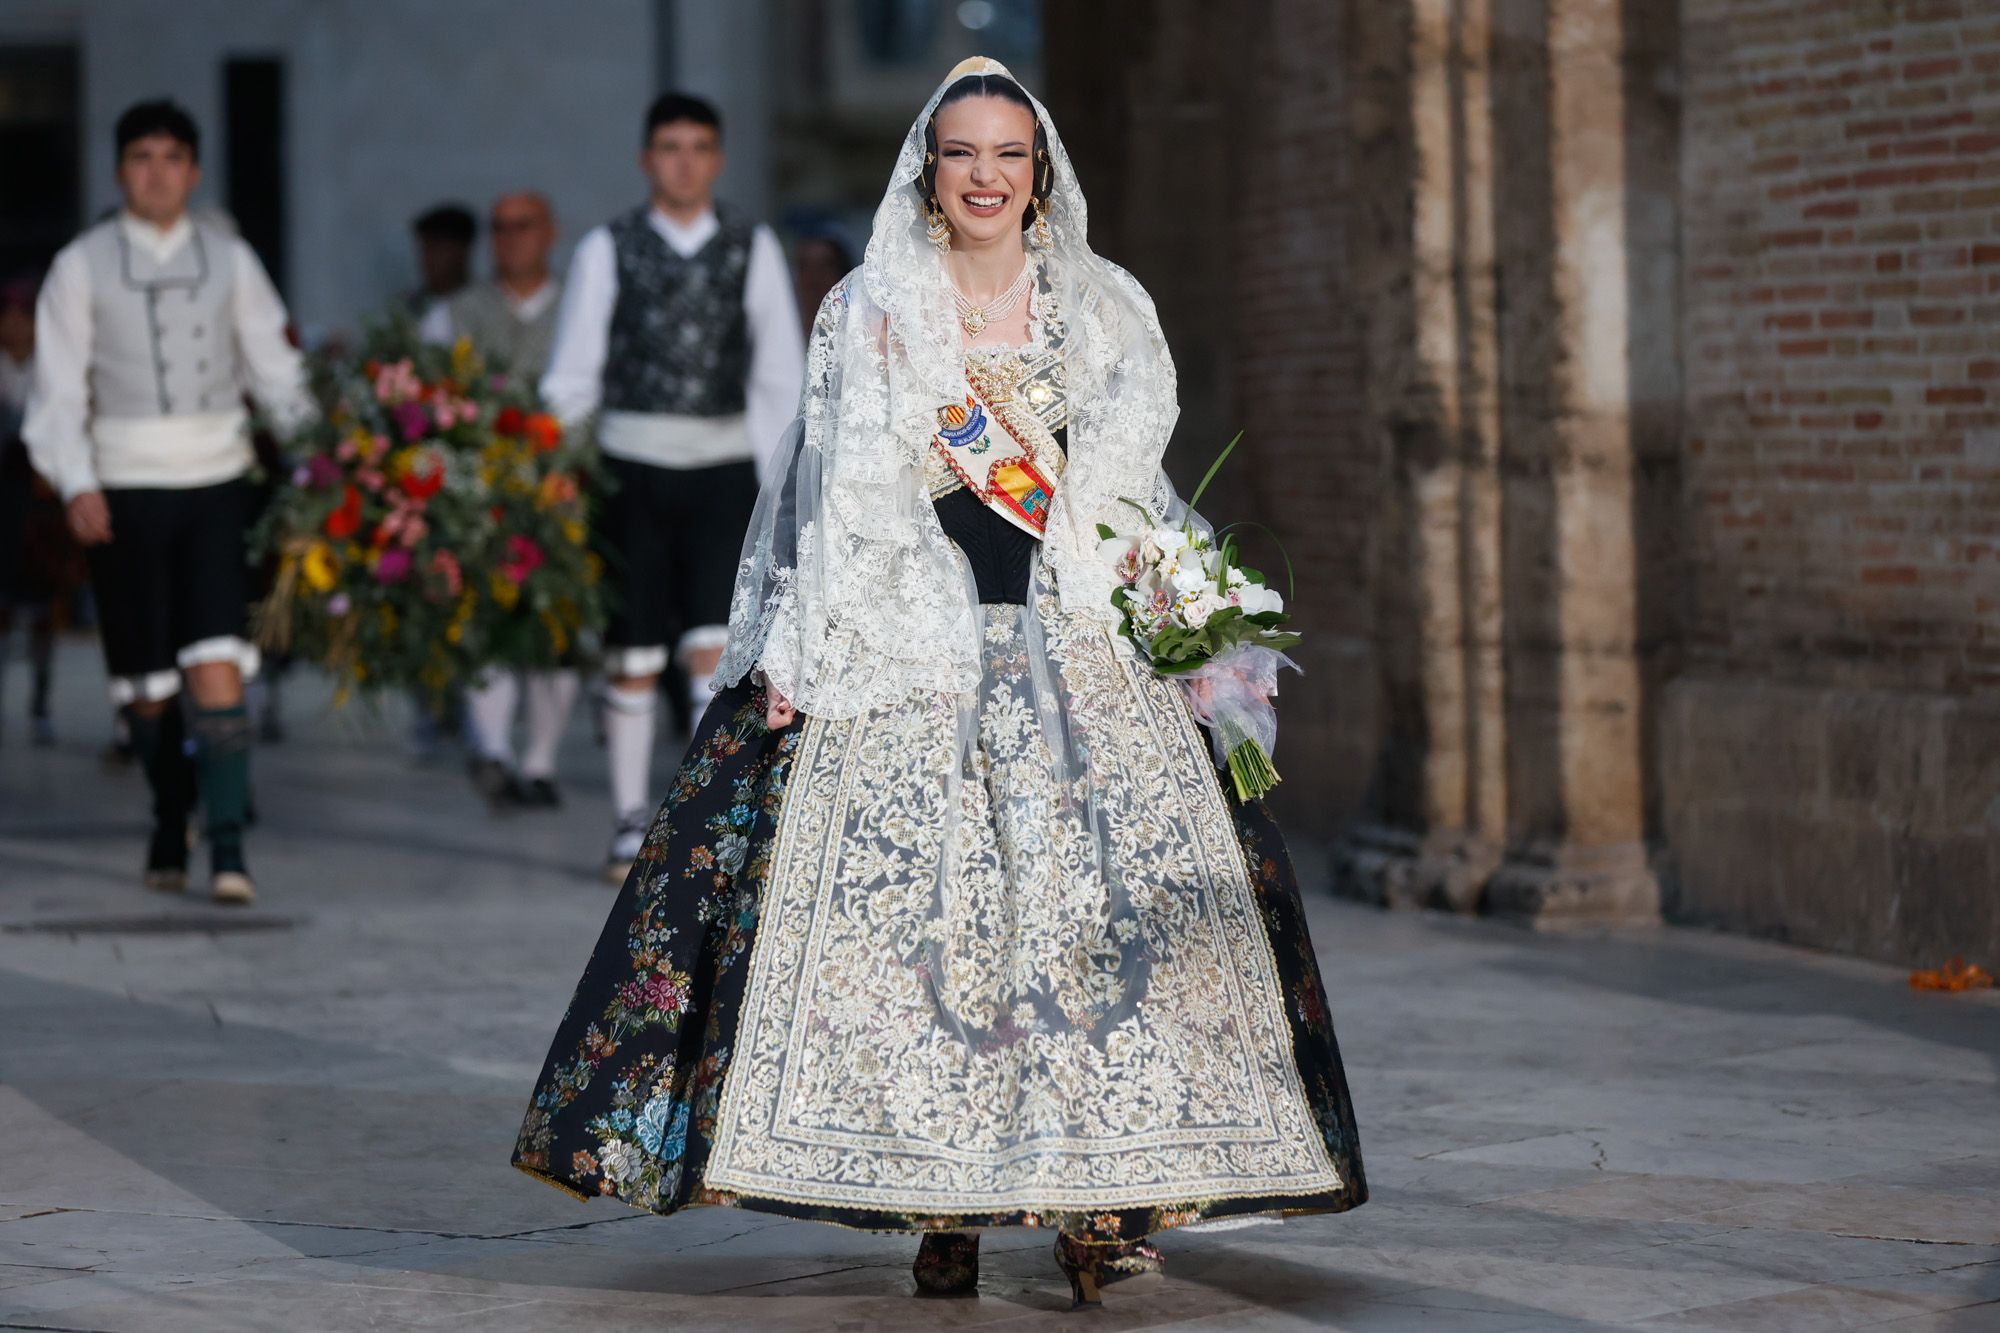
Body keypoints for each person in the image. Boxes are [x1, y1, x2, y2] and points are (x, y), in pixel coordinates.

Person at [512, 59, 1366, 1306]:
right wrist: (804, 650)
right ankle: (943, 1205)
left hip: (1079, 645)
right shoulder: (869, 307)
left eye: (1007, 154)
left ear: (1039, 173)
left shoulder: (1102, 305)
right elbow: (839, 497)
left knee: (1093, 936)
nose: (984, 175)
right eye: (961, 152)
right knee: (928, 944)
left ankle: (1101, 1206)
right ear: (928, 170)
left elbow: (1127, 492)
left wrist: (1186, 626)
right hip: (914, 645)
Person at [22, 99, 313, 905]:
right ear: (120, 170)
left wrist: (325, 458)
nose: (157, 173)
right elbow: (56, 389)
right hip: (124, 486)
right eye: (142, 158)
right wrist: (76, 481)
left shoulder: (231, 259)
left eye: (172, 157)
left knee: (217, 663)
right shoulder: (80, 265)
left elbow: (276, 370)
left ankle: (229, 847)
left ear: (194, 170)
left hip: (217, 479)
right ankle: (168, 811)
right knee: (148, 684)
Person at [541, 92, 805, 880]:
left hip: (722, 470)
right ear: (646, 158)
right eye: (669, 147)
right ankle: (629, 819)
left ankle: (695, 822)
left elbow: (778, 370)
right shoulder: (607, 247)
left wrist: (780, 483)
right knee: (632, 648)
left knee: (713, 651)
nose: (684, 163)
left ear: (717, 158)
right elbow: (573, 371)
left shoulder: (751, 244)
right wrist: (561, 467)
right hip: (631, 468)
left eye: (698, 147)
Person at [420, 191, 578, 809]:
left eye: (523, 226)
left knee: (557, 625)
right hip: (481, 492)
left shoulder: (580, 306)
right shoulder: (456, 312)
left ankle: (540, 761)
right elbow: (428, 399)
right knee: (486, 621)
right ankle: (492, 751)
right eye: (500, 228)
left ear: (550, 232)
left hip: (564, 487)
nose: (510, 239)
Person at [0, 271, 73, 749]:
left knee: (43, 606)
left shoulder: (53, 368)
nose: (14, 325)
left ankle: (40, 700)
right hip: (3, 501)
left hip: (40, 503)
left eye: (22, 316)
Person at [407, 203, 477, 314]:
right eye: (425, 247)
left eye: (436, 246)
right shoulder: (408, 308)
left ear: (462, 249)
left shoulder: (484, 305)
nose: (428, 257)